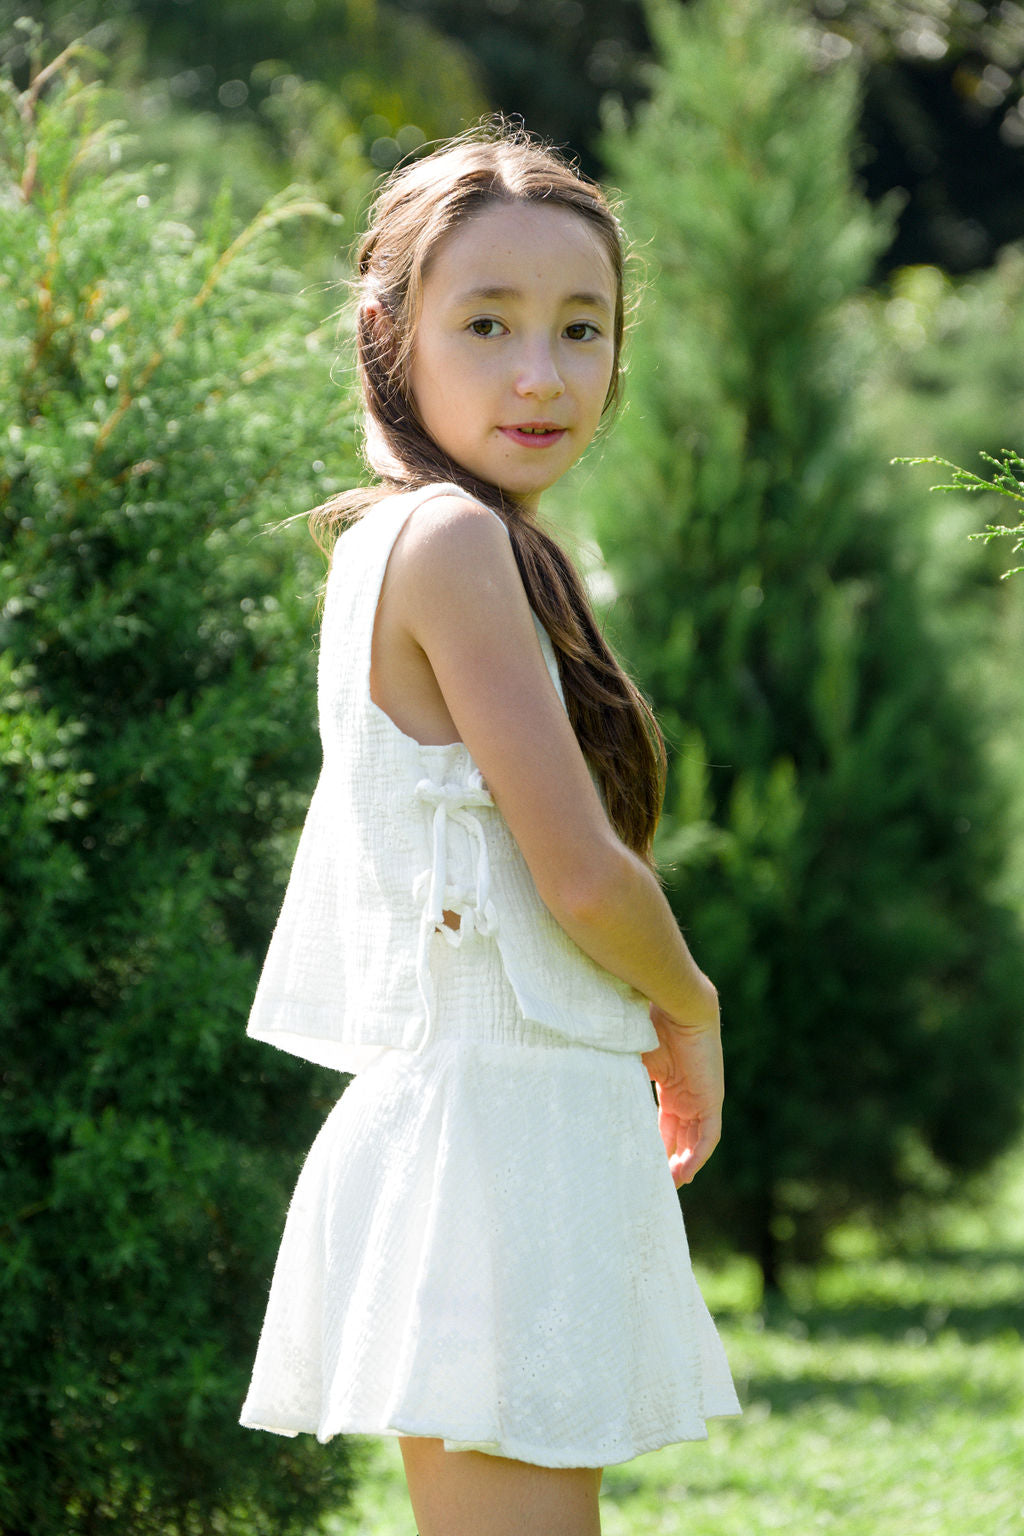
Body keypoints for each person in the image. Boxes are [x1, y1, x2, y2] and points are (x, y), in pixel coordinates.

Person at [239, 123, 740, 1536]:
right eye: (489, 323)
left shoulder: (432, 539)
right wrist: (688, 1008)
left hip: (501, 1125)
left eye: (583, 328)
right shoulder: (452, 545)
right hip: (491, 1136)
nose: (543, 372)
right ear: (390, 334)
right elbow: (580, 872)